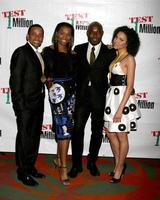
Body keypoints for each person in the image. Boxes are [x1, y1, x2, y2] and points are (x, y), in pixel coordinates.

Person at [68, 21, 116, 178]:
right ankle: (76, 165)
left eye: (98, 32)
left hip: (99, 100)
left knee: (96, 132)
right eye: (92, 31)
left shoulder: (109, 52)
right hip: (81, 99)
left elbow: (117, 72)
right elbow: (70, 67)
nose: (95, 34)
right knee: (77, 131)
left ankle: (91, 162)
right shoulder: (78, 49)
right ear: (87, 33)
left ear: (102, 33)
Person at [103, 26, 141, 183]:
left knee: (121, 135)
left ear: (128, 43)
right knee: (110, 133)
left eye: (121, 39)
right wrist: (111, 46)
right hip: (112, 97)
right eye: (116, 37)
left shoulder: (129, 59)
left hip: (122, 101)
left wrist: (120, 110)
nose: (116, 40)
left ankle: (118, 169)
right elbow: (110, 47)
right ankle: (120, 163)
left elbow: (130, 86)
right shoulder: (116, 56)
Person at [9, 24, 46, 186]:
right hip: (25, 106)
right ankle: (22, 172)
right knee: (24, 139)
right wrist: (19, 106)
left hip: (38, 104)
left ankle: (30, 167)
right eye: (34, 34)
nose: (37, 37)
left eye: (40, 35)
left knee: (34, 137)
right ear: (27, 36)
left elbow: (36, 76)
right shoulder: (21, 52)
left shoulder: (38, 54)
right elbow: (15, 82)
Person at [42, 22, 77, 185]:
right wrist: (49, 83)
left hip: (71, 95)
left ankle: (58, 159)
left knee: (66, 128)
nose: (65, 36)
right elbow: (45, 74)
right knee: (64, 129)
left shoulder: (73, 54)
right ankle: (63, 167)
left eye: (68, 33)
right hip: (57, 93)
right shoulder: (48, 52)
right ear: (56, 34)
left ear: (71, 37)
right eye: (62, 33)